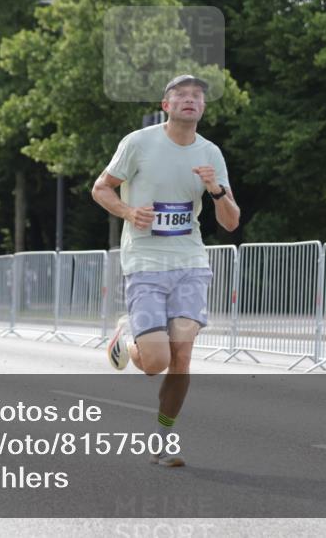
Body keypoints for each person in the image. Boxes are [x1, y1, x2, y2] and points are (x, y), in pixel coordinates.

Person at [91, 74, 240, 467]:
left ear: (203, 108)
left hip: (190, 262)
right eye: (181, 96)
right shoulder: (138, 143)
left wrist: (217, 192)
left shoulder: (210, 153)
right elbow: (100, 188)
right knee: (154, 363)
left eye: (197, 96)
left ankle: (164, 441)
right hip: (145, 262)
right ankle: (126, 337)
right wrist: (127, 211)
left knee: (182, 356)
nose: (190, 100)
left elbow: (230, 221)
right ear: (166, 105)